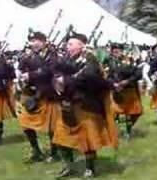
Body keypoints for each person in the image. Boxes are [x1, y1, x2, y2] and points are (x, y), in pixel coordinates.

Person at [51, 33, 118, 178]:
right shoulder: (66, 60)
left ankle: (90, 168)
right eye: (67, 44)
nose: (67, 47)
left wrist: (66, 80)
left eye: (71, 44)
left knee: (87, 140)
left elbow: (89, 77)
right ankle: (69, 166)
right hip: (68, 105)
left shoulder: (90, 59)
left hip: (86, 104)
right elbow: (55, 73)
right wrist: (57, 82)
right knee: (61, 138)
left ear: (81, 45)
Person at [19, 31, 60, 163]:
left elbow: (49, 71)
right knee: (25, 123)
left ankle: (55, 153)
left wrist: (30, 75)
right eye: (32, 41)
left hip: (48, 94)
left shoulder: (52, 54)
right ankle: (36, 150)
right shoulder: (29, 55)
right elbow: (22, 69)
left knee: (52, 127)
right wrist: (23, 76)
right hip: (32, 93)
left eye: (36, 40)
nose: (33, 43)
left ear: (43, 41)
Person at [105, 43, 143, 139]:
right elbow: (107, 76)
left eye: (118, 50)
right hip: (116, 91)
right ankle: (119, 133)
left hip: (129, 89)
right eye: (114, 51)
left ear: (122, 51)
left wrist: (127, 81)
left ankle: (128, 130)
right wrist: (113, 84)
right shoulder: (109, 62)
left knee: (134, 113)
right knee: (115, 112)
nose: (116, 52)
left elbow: (138, 74)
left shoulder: (130, 60)